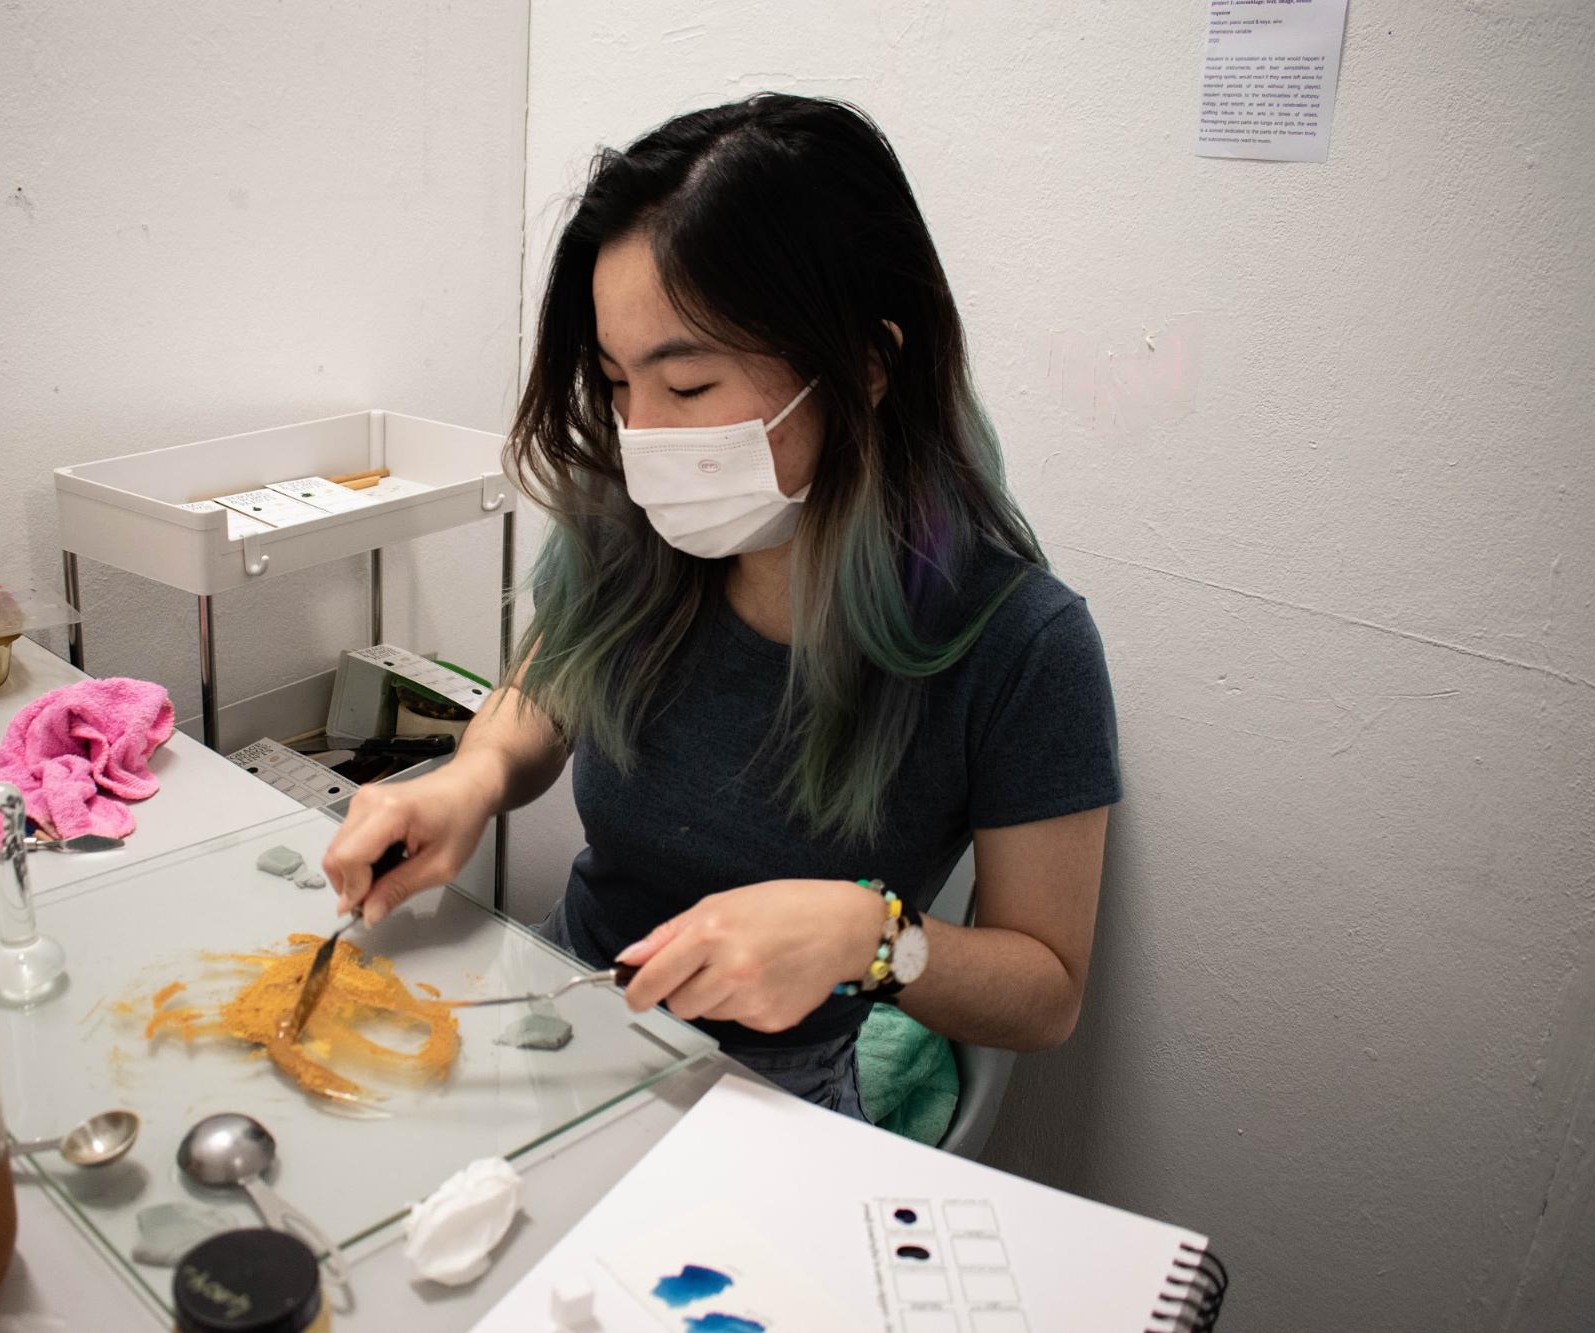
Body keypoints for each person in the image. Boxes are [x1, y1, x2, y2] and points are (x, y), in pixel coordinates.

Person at [324, 93, 1119, 1120]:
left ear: (866, 367)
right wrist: (470, 778)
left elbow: (1046, 992)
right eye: (616, 384)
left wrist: (871, 938)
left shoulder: (1022, 645)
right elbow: (550, 684)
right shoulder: (634, 527)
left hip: (773, 1099)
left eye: (688, 388)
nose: (642, 438)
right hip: (569, 1008)